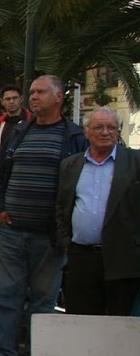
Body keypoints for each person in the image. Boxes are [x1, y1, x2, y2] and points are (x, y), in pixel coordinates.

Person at [0, 75, 89, 356]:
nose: (34, 97)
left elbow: (78, 184)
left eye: (41, 92)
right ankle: (3, 352)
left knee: (44, 298)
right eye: (32, 92)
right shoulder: (19, 132)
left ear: (59, 97)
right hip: (12, 230)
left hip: (49, 235)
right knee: (8, 293)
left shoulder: (73, 136)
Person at [56, 108, 138, 316]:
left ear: (118, 132)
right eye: (99, 127)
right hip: (81, 258)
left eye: (111, 127)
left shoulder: (134, 162)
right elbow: (61, 206)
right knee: (81, 320)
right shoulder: (71, 165)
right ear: (86, 132)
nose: (105, 132)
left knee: (118, 325)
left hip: (122, 261)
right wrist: (66, 242)